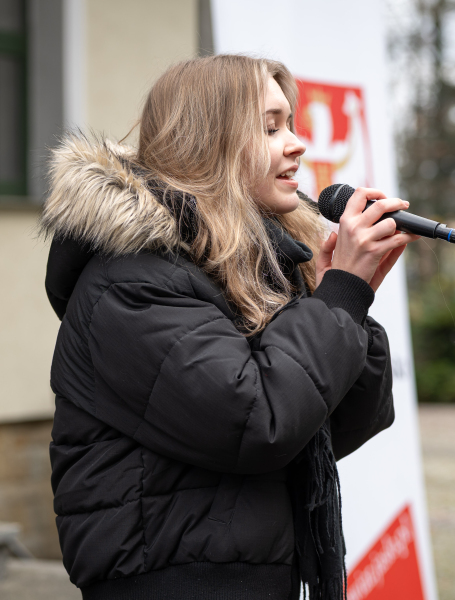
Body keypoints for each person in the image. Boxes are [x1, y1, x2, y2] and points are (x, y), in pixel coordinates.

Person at [41, 55, 418, 600]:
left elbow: (338, 424)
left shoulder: (252, 267)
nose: (297, 144)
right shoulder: (131, 280)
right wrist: (339, 298)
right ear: (207, 141)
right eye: (270, 128)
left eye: (290, 124)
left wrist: (343, 299)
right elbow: (258, 422)